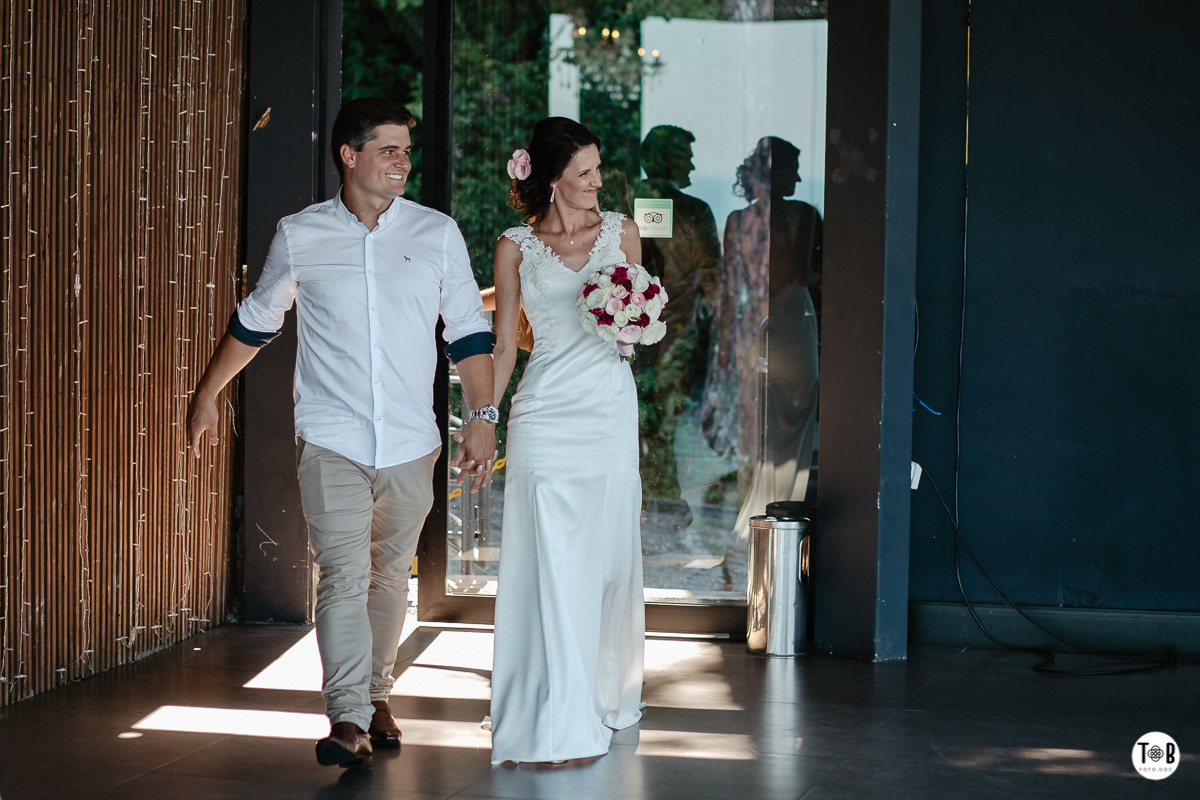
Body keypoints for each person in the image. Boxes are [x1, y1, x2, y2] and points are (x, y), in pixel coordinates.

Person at [185, 98, 497, 768]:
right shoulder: (301, 234)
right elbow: (258, 320)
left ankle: (376, 694)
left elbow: (470, 331)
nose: (403, 163)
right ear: (348, 155)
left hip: (413, 439)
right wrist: (208, 393)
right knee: (342, 573)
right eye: (389, 149)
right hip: (332, 436)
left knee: (388, 576)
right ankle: (348, 715)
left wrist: (481, 417)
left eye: (407, 151)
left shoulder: (436, 233)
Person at [488, 117, 645, 764]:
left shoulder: (623, 233)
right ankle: (553, 716)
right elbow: (502, 347)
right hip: (544, 412)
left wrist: (631, 329)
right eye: (584, 173)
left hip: (607, 410)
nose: (596, 183)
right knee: (547, 561)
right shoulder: (514, 245)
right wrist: (482, 418)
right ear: (552, 179)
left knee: (601, 562)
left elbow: (635, 328)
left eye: (598, 170)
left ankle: (596, 698)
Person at [635, 125, 721, 523]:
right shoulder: (694, 212)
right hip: (675, 337)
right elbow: (713, 275)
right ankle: (664, 504)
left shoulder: (621, 205)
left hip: (630, 335)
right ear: (668, 158)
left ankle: (658, 503)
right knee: (659, 426)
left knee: (646, 425)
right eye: (685, 155)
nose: (692, 163)